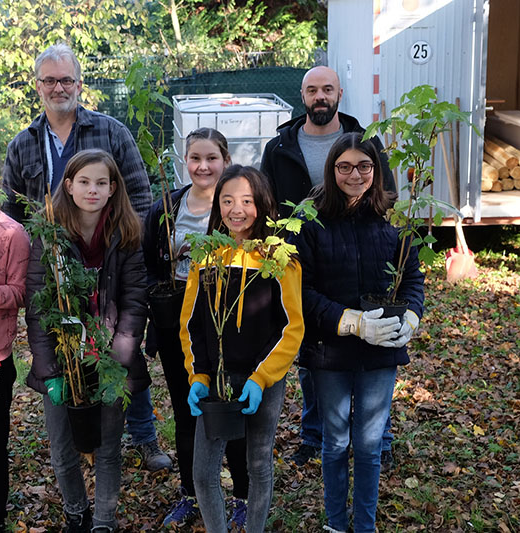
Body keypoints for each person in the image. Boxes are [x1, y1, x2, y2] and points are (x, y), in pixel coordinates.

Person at [2, 43, 168, 473]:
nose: (59, 88)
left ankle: (144, 435)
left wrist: (127, 243)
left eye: (67, 80)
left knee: (121, 345)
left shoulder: (111, 132)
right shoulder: (23, 144)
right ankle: (78, 426)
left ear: (79, 83)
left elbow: (141, 192)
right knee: (68, 347)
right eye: (50, 80)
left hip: (110, 258)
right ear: (37, 86)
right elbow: (12, 213)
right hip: (57, 270)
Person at [260, 65, 396, 468]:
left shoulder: (364, 141)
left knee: (375, 350)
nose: (320, 97)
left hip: (361, 256)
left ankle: (379, 439)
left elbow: (387, 194)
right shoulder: (280, 146)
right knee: (313, 349)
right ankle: (314, 435)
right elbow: (268, 204)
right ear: (303, 97)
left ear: (339, 94)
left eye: (327, 90)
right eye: (312, 90)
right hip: (303, 262)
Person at [291, 132, 424, 533]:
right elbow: (303, 292)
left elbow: (412, 281)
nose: (355, 174)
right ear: (332, 170)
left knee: (368, 445)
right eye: (344, 166)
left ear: (376, 170)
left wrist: (411, 318)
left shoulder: (392, 226)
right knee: (335, 442)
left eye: (364, 166)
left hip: (381, 352)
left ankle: (364, 525)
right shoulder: (312, 224)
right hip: (329, 352)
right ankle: (336, 523)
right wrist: (351, 321)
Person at [25, 149, 149, 533]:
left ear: (113, 188)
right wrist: (49, 369)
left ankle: (104, 520)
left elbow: (134, 302)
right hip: (64, 358)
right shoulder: (49, 235)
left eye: (101, 183)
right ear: (69, 186)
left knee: (109, 446)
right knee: (63, 446)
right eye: (84, 182)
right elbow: (37, 304)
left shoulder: (126, 235)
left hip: (110, 357)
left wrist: (118, 362)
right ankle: (76, 512)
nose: (92, 190)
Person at [180, 166, 304, 533]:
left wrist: (261, 377)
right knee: (203, 472)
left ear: (263, 204)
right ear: (217, 206)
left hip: (261, 380)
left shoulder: (280, 258)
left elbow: (292, 327)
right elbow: (191, 324)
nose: (238, 209)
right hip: (216, 380)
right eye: (228, 200)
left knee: (259, 461)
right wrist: (198, 375)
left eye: (247, 201)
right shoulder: (206, 257)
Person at [143, 128, 249, 528]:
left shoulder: (237, 207)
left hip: (227, 323)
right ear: (184, 162)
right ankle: (190, 492)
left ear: (225, 159)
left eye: (212, 158)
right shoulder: (167, 207)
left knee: (230, 408)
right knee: (188, 411)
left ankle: (241, 495)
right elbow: (152, 265)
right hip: (179, 327)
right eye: (195, 158)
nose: (203, 166)